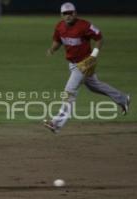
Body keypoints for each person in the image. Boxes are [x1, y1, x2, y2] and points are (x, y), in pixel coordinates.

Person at [44, 2, 130, 133]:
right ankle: (123, 99)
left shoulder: (84, 25)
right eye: (65, 13)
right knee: (94, 86)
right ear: (61, 15)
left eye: (70, 12)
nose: (68, 16)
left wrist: (94, 55)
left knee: (69, 90)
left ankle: (56, 123)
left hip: (86, 62)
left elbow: (99, 38)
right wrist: (52, 50)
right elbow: (58, 41)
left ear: (75, 13)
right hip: (73, 64)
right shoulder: (60, 27)